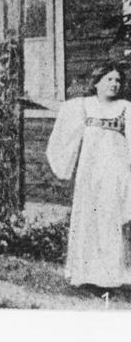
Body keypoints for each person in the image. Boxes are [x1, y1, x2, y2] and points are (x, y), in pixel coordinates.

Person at [46, 62, 131, 290]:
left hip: (115, 171)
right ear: (96, 83)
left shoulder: (125, 108)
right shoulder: (82, 107)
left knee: (109, 219)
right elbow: (65, 132)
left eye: (117, 80)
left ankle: (109, 275)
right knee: (87, 219)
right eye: (109, 79)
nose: (114, 84)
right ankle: (84, 273)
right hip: (90, 173)